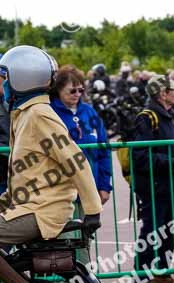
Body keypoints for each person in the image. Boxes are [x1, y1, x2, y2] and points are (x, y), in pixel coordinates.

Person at [0, 45, 102, 283]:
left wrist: (93, 209)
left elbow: (76, 161)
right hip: (29, 205)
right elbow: (26, 175)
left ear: (22, 78)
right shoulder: (25, 113)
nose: (2, 85)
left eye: (4, 78)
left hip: (43, 211)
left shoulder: (39, 114)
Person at [50, 65, 113, 263]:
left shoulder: (89, 112)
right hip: (61, 191)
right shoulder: (50, 113)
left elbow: (104, 151)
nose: (77, 94)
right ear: (59, 90)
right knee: (65, 242)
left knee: (84, 242)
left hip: (88, 190)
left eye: (80, 90)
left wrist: (104, 186)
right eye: (72, 90)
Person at [131, 74, 174, 283]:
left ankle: (162, 272)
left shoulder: (167, 116)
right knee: (151, 232)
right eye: (173, 89)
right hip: (154, 186)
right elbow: (140, 156)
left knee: (168, 231)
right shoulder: (147, 117)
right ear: (162, 94)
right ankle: (141, 278)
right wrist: (170, 163)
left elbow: (172, 147)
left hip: (169, 186)